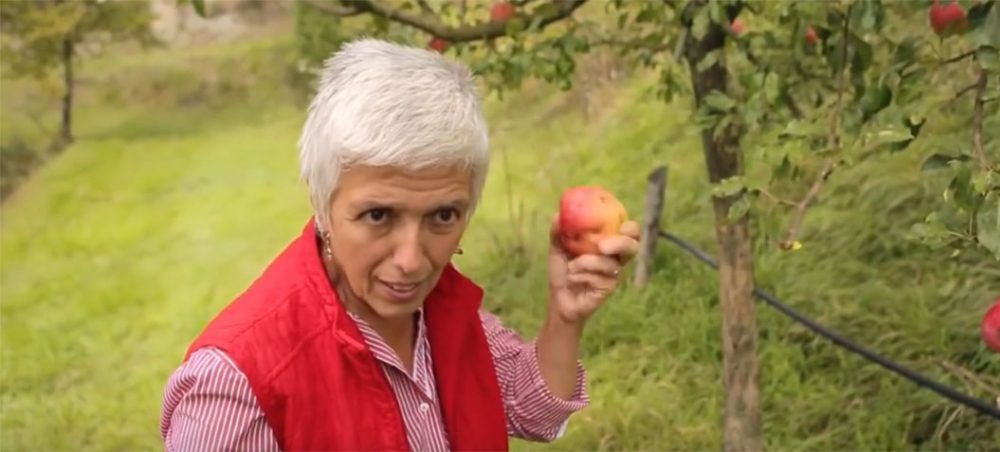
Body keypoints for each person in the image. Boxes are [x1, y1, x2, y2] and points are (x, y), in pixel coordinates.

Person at [159, 38, 640, 452]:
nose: (412, 261)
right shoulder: (234, 384)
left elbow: (534, 414)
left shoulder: (449, 312)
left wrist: (565, 316)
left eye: (443, 216)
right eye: (378, 215)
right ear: (323, 203)